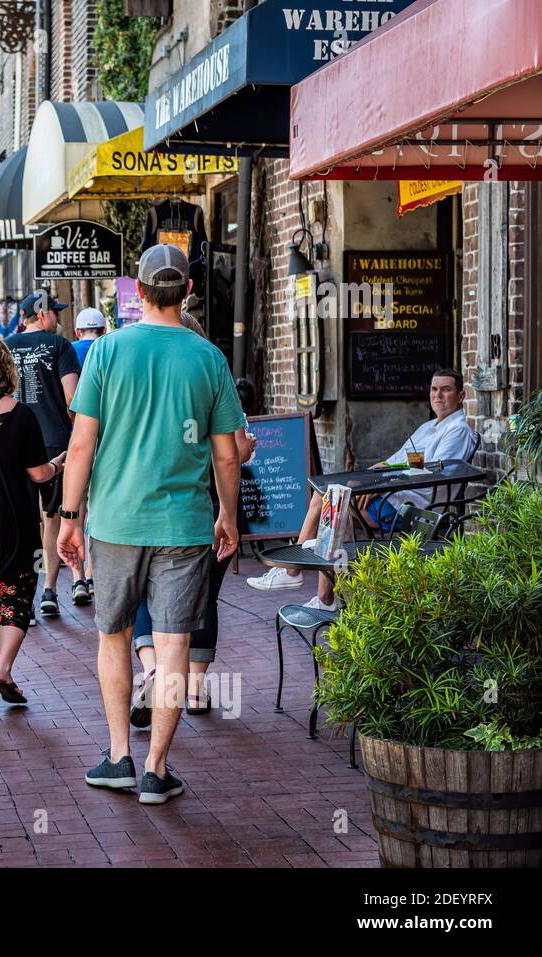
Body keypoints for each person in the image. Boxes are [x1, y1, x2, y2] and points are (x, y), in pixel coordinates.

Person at [58, 244, 244, 806]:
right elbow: (228, 456)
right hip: (184, 525)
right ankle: (156, 770)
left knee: (113, 637)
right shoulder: (208, 358)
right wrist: (228, 514)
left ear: (137, 293)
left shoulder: (107, 351)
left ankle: (119, 755)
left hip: (114, 523)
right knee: (173, 646)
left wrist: (70, 518)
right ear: (188, 291)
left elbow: (82, 442)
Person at [247, 368, 477, 610]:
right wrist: (376, 475)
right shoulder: (428, 427)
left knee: (331, 502)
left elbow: (435, 472)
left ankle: (295, 574)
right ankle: (324, 595)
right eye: (434, 389)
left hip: (412, 508)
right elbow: (394, 461)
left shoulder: (458, 430)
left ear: (461, 396)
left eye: (446, 389)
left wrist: (381, 484)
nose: (438, 395)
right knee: (333, 504)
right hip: (394, 497)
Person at [130, 312, 258, 724]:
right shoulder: (211, 371)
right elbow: (233, 451)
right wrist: (247, 450)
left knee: (148, 594)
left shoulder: (143, 380)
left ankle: (153, 669)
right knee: (204, 598)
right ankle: (197, 688)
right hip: (206, 506)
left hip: (148, 505)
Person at [0, 333, 65, 716]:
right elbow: (38, 474)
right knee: (17, 598)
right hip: (18, 522)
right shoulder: (22, 415)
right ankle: (2, 668)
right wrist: (59, 464)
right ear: (6, 367)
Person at [5, 290, 88, 614]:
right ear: (43, 314)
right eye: (55, 312)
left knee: (26, 522)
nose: (58, 317)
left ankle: (21, 597)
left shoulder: (6, 346)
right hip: (53, 442)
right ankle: (52, 590)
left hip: (13, 443)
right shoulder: (60, 346)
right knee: (58, 515)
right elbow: (72, 398)